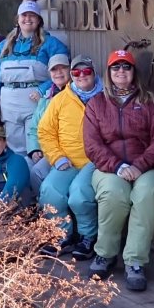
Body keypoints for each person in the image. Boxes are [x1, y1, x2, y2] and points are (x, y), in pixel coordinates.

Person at [83, 49, 154, 291]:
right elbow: (92, 145)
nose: (121, 71)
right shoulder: (96, 104)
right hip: (110, 167)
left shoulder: (150, 101)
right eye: (115, 67)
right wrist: (119, 166)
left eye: (126, 67)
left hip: (150, 167)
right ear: (108, 72)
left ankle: (134, 261)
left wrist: (139, 165)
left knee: (146, 195)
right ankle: (105, 254)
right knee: (113, 194)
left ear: (134, 72)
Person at [36, 55, 101, 260]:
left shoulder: (105, 97)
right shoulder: (60, 99)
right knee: (50, 190)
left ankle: (88, 237)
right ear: (72, 76)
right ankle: (62, 235)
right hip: (67, 160)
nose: (81, 76)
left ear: (93, 73)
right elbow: (45, 131)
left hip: (95, 160)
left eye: (86, 71)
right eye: (76, 72)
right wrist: (57, 157)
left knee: (79, 195)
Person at [0, 0, 69, 154]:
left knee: (36, 146)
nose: (27, 19)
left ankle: (37, 176)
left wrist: (43, 91)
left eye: (32, 16)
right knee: (14, 148)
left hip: (35, 102)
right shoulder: (3, 46)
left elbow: (62, 74)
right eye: (24, 15)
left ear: (38, 20)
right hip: (9, 104)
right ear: (17, 19)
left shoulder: (51, 44)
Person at [25, 53, 70, 197]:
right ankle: (35, 207)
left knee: (37, 172)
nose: (58, 73)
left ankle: (46, 207)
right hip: (44, 149)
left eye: (63, 68)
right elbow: (34, 128)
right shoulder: (45, 98)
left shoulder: (76, 94)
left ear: (70, 70)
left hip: (63, 151)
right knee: (22, 165)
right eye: (54, 70)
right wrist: (34, 149)